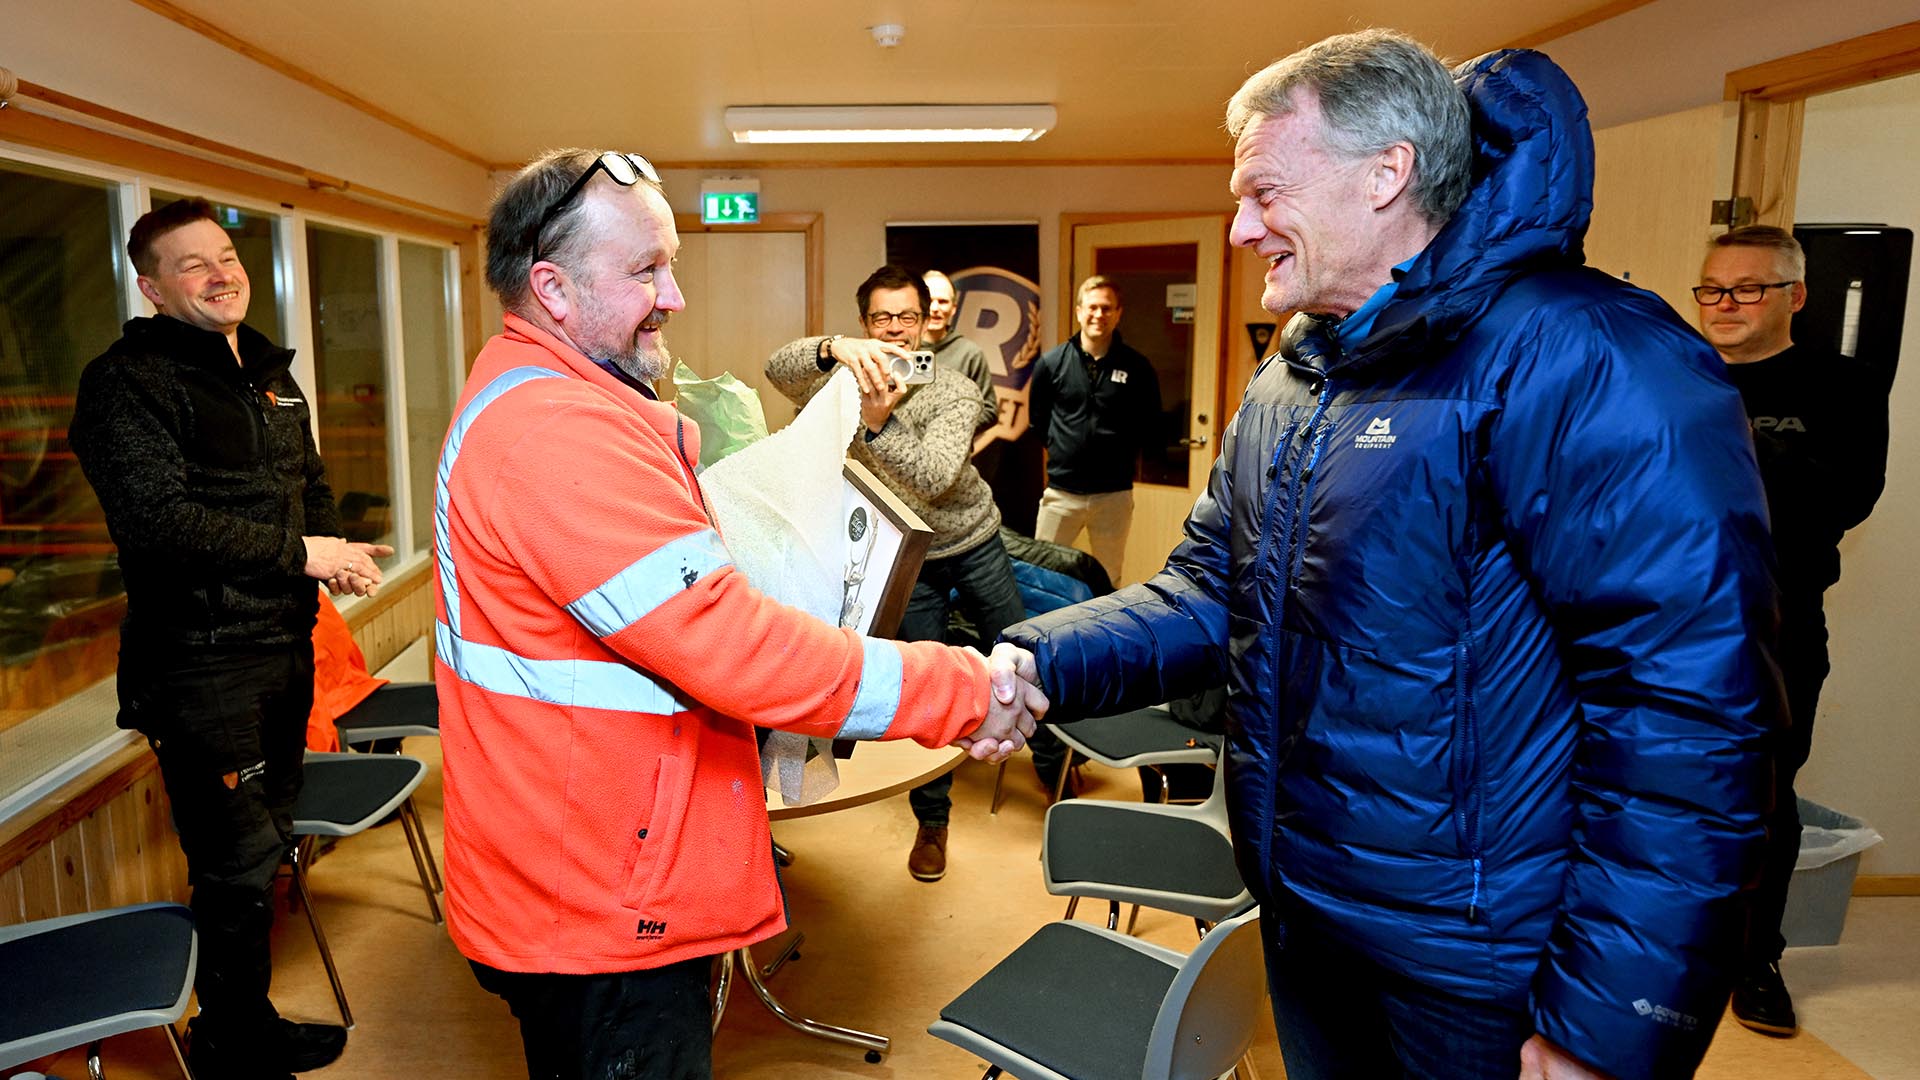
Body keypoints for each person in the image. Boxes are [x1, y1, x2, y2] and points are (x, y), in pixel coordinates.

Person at [999, 31, 1782, 1080]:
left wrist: (1607, 1024)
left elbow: (1687, 710)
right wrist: (1033, 661)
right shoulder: (1297, 378)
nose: (1240, 229)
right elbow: (1210, 592)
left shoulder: (1590, 356)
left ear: (1386, 174)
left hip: (1481, 969)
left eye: (1264, 192)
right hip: (1311, 917)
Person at [437, 150, 1043, 1080]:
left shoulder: (556, 391)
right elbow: (732, 646)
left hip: (591, 853)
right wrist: (962, 688)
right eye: (646, 271)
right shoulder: (556, 432)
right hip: (594, 896)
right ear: (552, 289)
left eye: (670, 265)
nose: (674, 297)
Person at [70, 197, 389, 1080]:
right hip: (200, 661)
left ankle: (240, 1024)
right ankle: (232, 1046)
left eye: (227, 257)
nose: (221, 275)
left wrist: (333, 554)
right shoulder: (127, 383)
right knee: (236, 863)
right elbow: (160, 521)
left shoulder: (267, 371)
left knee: (264, 844)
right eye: (192, 265)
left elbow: (308, 482)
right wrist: (303, 554)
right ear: (152, 288)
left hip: (280, 646)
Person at [767, 265, 1065, 882]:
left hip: (973, 541)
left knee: (1024, 657)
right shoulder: (842, 381)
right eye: (881, 318)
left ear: (926, 322)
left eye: (907, 316)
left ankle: (1057, 778)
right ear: (865, 323)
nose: (895, 329)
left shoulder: (954, 388)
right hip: (908, 560)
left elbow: (933, 476)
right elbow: (777, 369)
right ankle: (933, 821)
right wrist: (834, 350)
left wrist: (879, 422)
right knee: (930, 684)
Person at [1694, 225, 1889, 1037]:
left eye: (1748, 288)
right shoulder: (1673, 372)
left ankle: (1755, 961)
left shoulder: (1842, 387)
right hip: (1663, 623)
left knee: (1765, 796)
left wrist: (1731, 459)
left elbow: (1844, 500)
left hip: (1776, 624)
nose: (1725, 304)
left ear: (1795, 296)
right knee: (1648, 784)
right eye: (1712, 288)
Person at [1027, 275, 1161, 581]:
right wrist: (1064, 450)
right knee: (1042, 576)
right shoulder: (1051, 364)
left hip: (1113, 496)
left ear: (1118, 313)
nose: (1099, 314)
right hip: (1061, 494)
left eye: (1106, 308)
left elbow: (1149, 422)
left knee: (1107, 578)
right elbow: (1039, 423)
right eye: (1092, 307)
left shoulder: (1137, 367)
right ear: (1079, 311)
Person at [922, 269, 999, 433]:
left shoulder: (970, 354)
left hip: (954, 447)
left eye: (943, 301)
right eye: (929, 300)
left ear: (954, 308)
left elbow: (989, 411)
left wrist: (951, 430)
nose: (935, 308)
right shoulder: (902, 351)